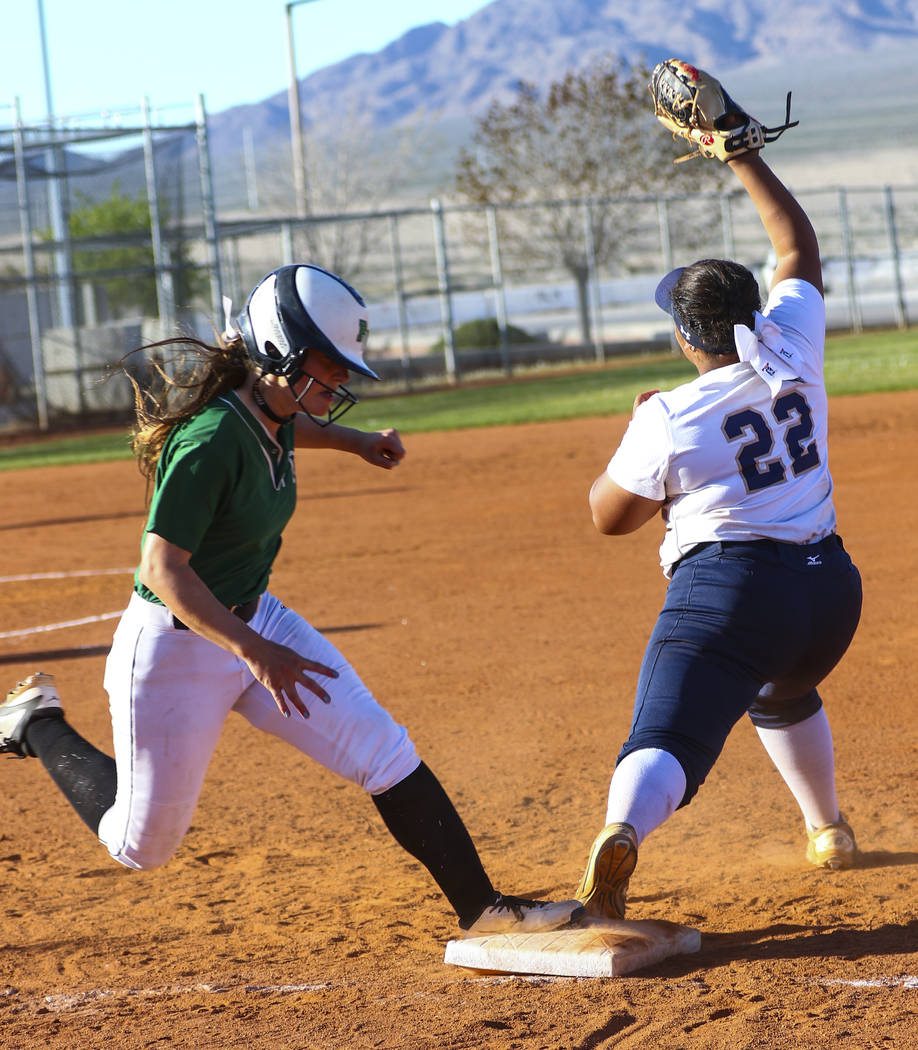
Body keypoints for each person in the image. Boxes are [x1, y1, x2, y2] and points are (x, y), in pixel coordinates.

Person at [1, 263, 582, 940]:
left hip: (258, 622)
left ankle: (483, 909)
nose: (339, 381)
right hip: (177, 646)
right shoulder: (210, 439)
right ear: (279, 352)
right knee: (141, 846)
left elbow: (285, 429)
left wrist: (354, 442)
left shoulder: (267, 408)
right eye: (329, 366)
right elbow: (161, 569)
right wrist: (253, 652)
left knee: (384, 752)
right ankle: (38, 722)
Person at [573, 151, 863, 921]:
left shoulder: (669, 416)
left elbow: (609, 515)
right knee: (785, 684)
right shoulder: (796, 341)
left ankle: (623, 828)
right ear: (757, 314)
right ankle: (827, 828)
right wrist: (740, 148)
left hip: (733, 596)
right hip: (830, 594)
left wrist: (639, 428)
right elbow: (795, 242)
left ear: (683, 337)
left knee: (668, 734)